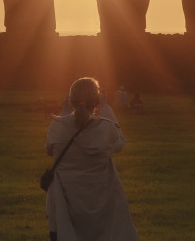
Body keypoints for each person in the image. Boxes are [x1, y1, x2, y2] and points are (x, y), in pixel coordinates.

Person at [44, 77, 137, 241]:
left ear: (70, 100)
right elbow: (120, 142)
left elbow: (49, 150)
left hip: (64, 206)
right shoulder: (105, 129)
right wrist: (105, 107)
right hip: (101, 206)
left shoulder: (56, 126)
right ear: (96, 100)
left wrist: (65, 111)